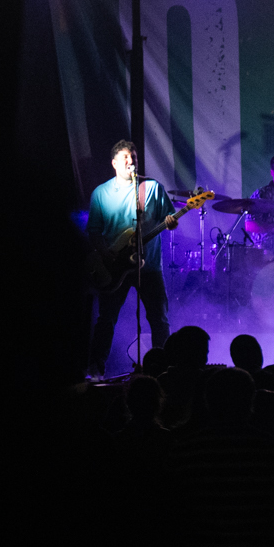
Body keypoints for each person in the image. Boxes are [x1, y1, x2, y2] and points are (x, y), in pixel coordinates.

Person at [86, 139, 179, 375]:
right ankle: (96, 368)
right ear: (114, 163)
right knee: (106, 319)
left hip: (149, 267)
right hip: (113, 267)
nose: (131, 161)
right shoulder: (101, 193)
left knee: (159, 319)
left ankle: (162, 369)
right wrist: (105, 253)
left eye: (134, 157)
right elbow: (94, 231)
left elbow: (169, 218)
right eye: (126, 157)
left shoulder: (152, 188)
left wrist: (171, 222)